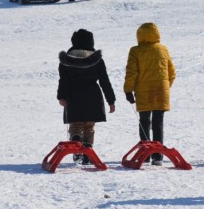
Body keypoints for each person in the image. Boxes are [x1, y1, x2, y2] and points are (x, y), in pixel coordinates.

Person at [57, 29, 116, 164]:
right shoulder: (97, 60)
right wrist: (111, 100)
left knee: (76, 125)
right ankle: (88, 152)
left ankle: (76, 142)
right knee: (89, 126)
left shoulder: (66, 60)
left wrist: (61, 96)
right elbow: (104, 81)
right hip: (93, 96)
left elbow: (63, 81)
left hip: (73, 95)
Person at [123, 23, 176, 166]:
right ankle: (158, 155)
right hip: (161, 91)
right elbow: (171, 72)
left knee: (144, 121)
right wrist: (165, 86)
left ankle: (145, 154)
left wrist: (128, 90)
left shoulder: (135, 51)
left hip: (143, 91)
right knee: (158, 122)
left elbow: (132, 72)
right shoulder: (163, 49)